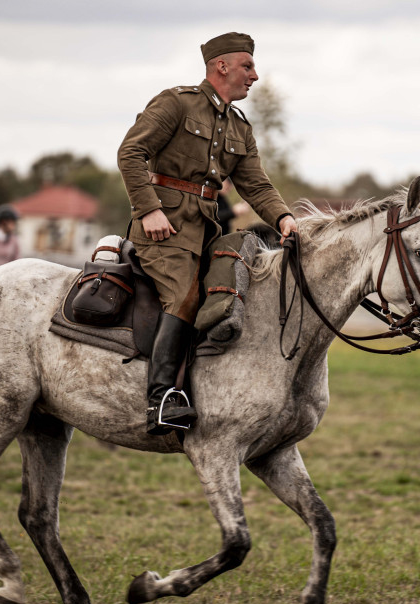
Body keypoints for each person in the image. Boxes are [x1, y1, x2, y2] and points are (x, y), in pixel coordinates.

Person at [118, 32, 298, 435]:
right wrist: (149, 210)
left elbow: (256, 185)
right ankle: (162, 398)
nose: (255, 75)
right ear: (222, 66)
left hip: (206, 231)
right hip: (162, 230)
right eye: (247, 66)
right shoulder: (176, 103)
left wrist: (283, 218)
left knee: (236, 293)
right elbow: (130, 153)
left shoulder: (239, 127)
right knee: (185, 295)